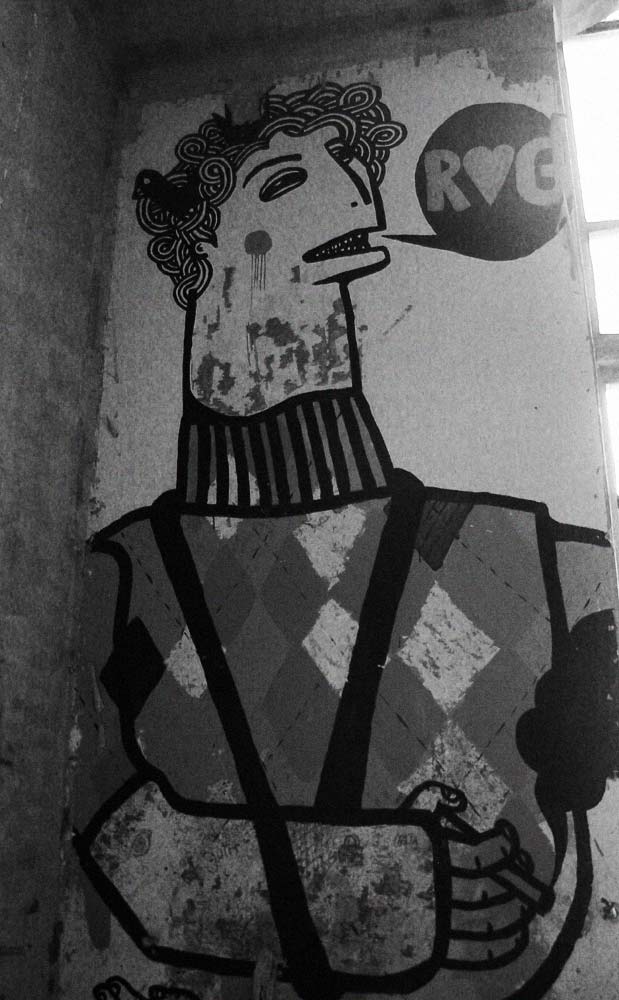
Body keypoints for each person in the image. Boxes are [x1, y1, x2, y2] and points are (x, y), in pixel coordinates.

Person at [76, 82, 617, 1000]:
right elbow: (111, 824)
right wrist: (371, 889)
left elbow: (545, 871)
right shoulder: (121, 573)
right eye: (284, 184)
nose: (353, 197)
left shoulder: (528, 554)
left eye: (350, 171)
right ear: (196, 249)